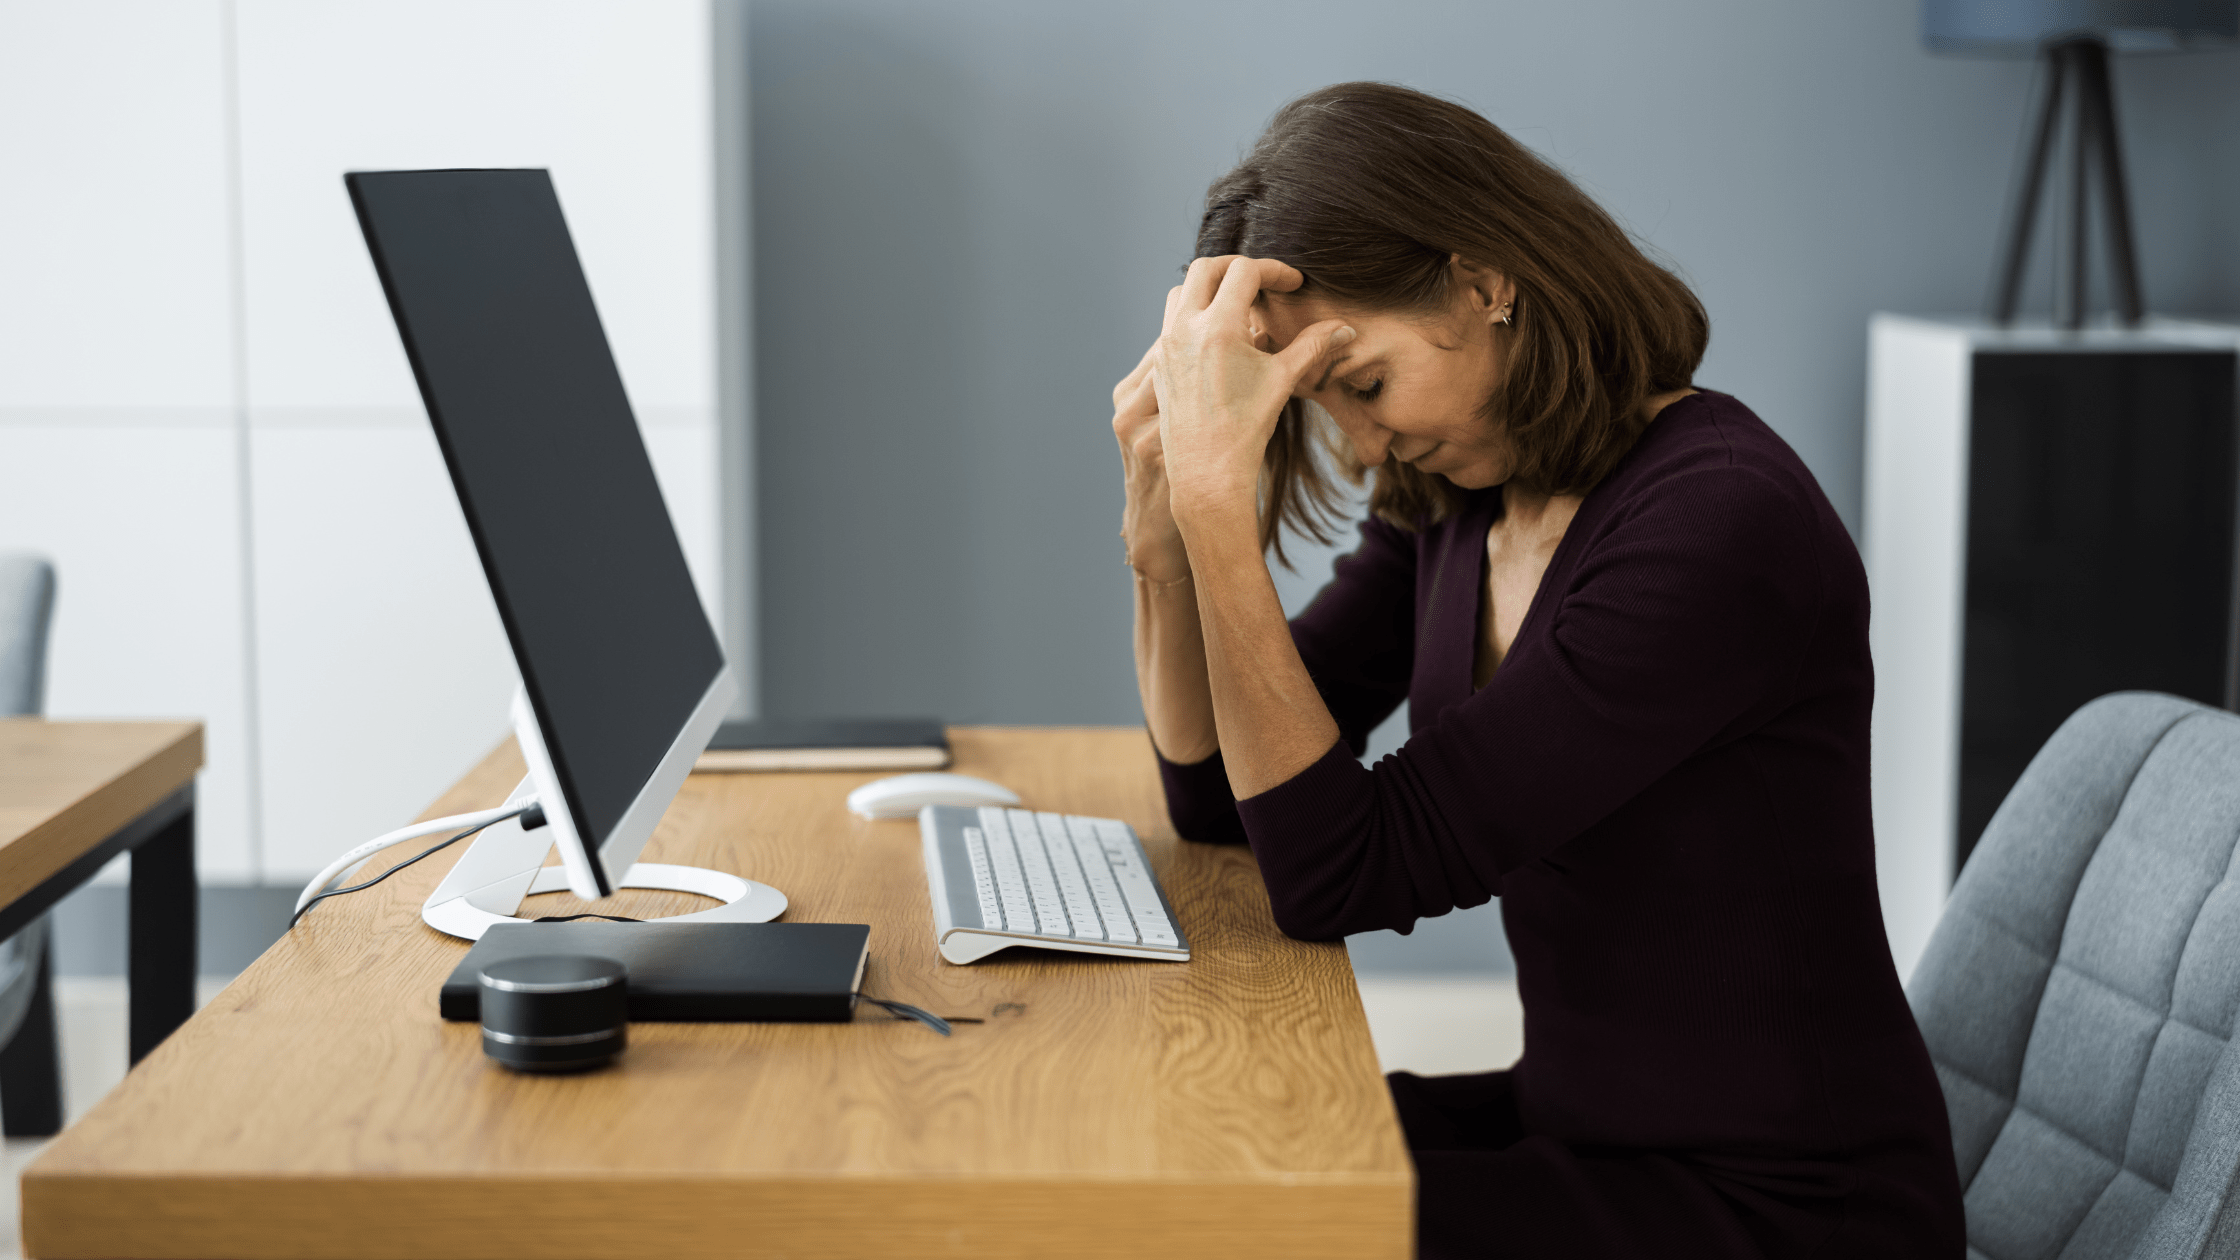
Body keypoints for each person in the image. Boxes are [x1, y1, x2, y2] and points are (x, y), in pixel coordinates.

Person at [1112, 82, 1965, 1259]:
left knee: (1226, 1226)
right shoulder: (1460, 495)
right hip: (1585, 1124)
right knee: (1162, 1151)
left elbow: (1338, 871)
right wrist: (1162, 553)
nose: (1360, 443)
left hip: (1780, 1206)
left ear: (1483, 283)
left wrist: (1221, 510)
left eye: (1361, 385)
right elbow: (1220, 803)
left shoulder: (1715, 526)